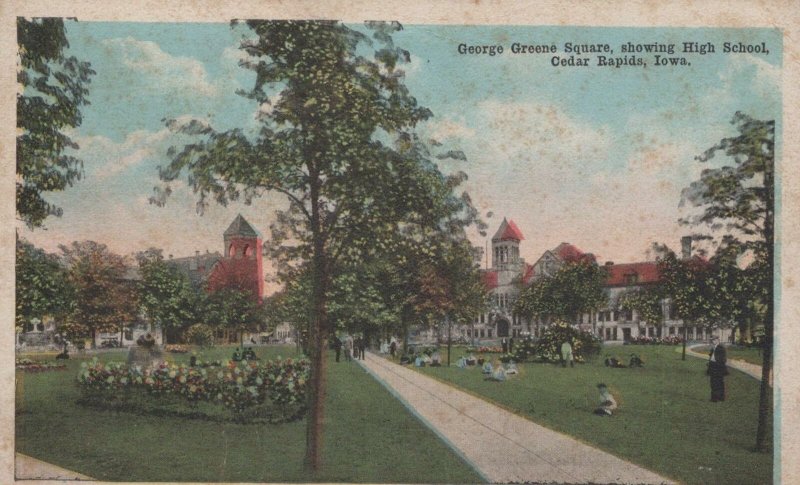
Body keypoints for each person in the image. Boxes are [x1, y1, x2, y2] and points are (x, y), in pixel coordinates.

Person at [707, 336, 728, 402]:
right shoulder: (714, 347)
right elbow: (712, 356)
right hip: (713, 366)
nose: (713, 341)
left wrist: (717, 364)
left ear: (718, 340)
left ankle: (716, 398)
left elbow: (723, 359)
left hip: (717, 367)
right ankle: (718, 398)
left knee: (716, 383)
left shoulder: (720, 348)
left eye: (714, 340)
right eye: (712, 340)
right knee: (716, 382)